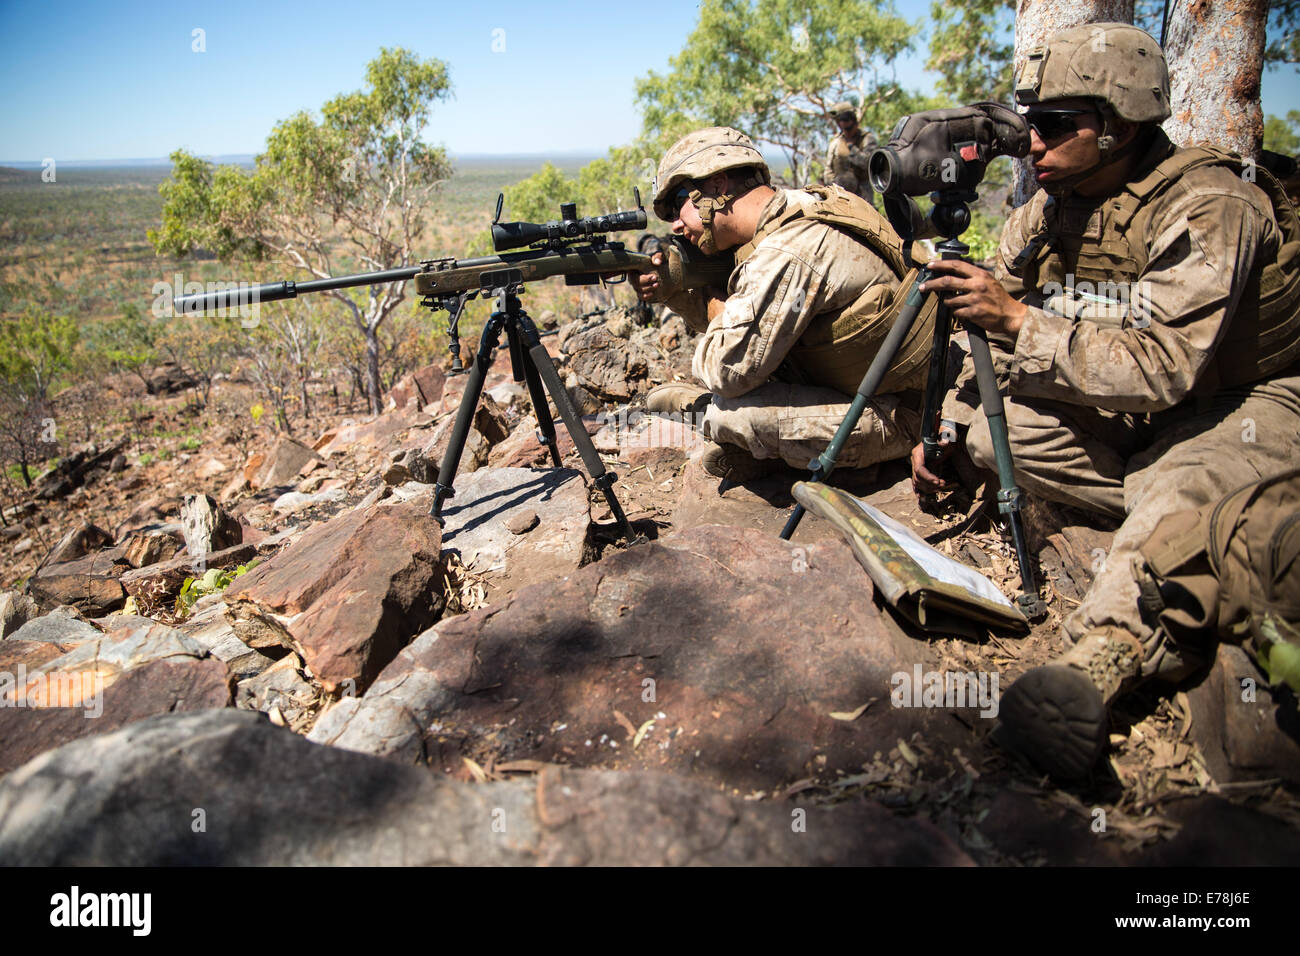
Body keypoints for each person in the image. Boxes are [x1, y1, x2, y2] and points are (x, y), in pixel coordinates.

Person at [909, 23, 1300, 779]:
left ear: (1118, 125)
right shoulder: (1055, 204)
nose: (1032, 146)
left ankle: (1096, 664)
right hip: (1129, 405)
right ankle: (1187, 523)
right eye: (1030, 126)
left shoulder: (1212, 204)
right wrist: (951, 422)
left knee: (1182, 480)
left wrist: (1020, 321)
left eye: (1054, 127)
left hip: (1247, 400)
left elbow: (1165, 367)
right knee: (996, 442)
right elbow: (985, 325)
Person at [635, 127, 934, 482]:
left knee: (729, 415)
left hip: (904, 413)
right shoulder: (812, 204)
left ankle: (746, 439)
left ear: (716, 185)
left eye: (678, 203)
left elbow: (725, 370)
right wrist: (674, 291)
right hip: (861, 381)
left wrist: (715, 305)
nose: (675, 224)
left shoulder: (789, 249)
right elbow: (755, 324)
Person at [824, 101, 877, 205]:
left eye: (847, 122)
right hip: (840, 195)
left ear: (854, 122)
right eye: (840, 122)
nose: (845, 128)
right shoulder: (836, 142)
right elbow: (828, 170)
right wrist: (835, 186)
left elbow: (868, 163)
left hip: (863, 196)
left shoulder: (867, 139)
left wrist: (852, 148)